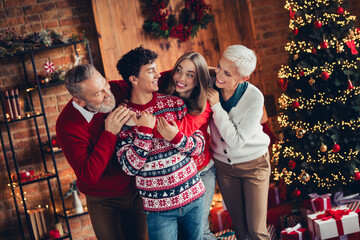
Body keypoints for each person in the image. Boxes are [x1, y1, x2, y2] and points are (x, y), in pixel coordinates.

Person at [115, 46, 205, 240]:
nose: (158, 75)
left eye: (156, 69)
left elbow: (199, 146)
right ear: (133, 79)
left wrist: (176, 138)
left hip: (194, 198)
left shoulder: (174, 103)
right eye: (150, 71)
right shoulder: (122, 117)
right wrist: (145, 132)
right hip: (159, 211)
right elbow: (130, 167)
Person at [56, 64, 147, 240]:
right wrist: (109, 133)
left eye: (104, 84)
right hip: (103, 200)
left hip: (135, 190)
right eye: (98, 93)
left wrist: (205, 70)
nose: (108, 94)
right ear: (80, 101)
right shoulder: (67, 125)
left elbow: (153, 80)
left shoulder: (116, 89)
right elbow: (88, 174)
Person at [207, 45, 271, 240]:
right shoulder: (210, 79)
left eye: (227, 73)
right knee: (241, 232)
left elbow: (235, 141)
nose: (218, 75)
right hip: (225, 169)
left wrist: (216, 107)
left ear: (244, 78)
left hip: (255, 167)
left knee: (256, 231)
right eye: (218, 66)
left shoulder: (254, 97)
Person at [161, 52, 216, 240]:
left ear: (199, 79)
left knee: (199, 232)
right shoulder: (164, 95)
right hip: (177, 178)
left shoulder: (203, 105)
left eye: (190, 74)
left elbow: (178, 131)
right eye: (178, 70)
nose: (181, 78)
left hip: (202, 171)